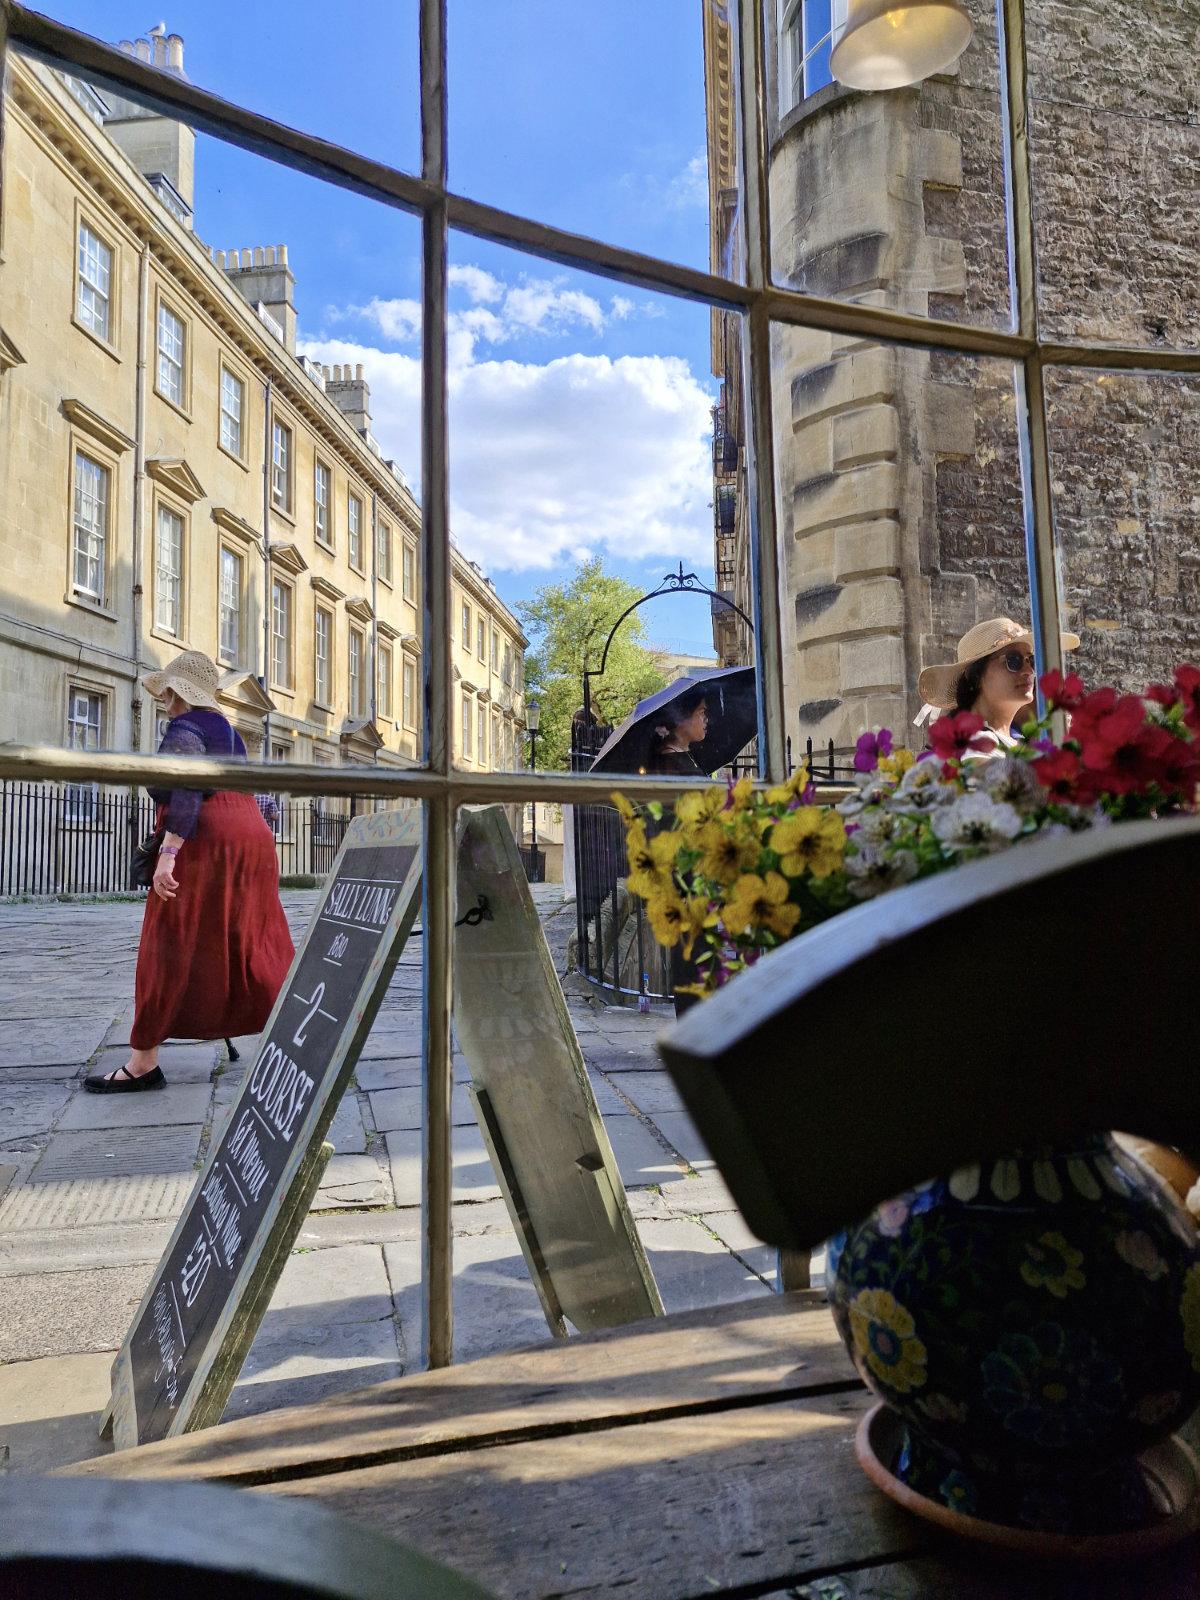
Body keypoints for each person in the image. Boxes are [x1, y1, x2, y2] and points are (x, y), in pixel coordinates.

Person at [84, 650, 295, 1093]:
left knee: (167, 942)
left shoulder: (185, 727)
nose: (162, 698)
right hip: (250, 838)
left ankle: (143, 1063)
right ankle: (297, 1033)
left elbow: (186, 787)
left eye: (166, 691)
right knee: (252, 940)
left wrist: (167, 853)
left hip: (208, 838)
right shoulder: (231, 732)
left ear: (179, 691)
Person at [916, 616, 1081, 757]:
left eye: (1031, 660)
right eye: (1013, 661)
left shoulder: (1011, 744)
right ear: (976, 676)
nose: (1029, 670)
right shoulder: (977, 745)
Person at [643, 688, 709, 1016]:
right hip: (688, 874)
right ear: (681, 720)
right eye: (700, 713)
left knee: (694, 955)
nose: (706, 720)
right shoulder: (674, 763)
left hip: (688, 871)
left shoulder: (678, 758)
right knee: (694, 955)